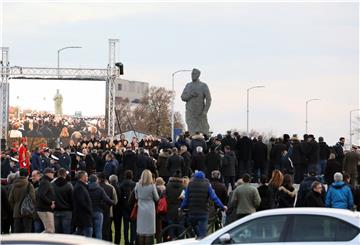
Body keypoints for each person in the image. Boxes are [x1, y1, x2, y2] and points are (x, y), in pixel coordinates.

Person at [180, 171, 227, 239]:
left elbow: (186, 199)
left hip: (192, 212)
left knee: (195, 229)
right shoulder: (207, 184)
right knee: (202, 235)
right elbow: (214, 198)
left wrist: (181, 207)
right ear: (203, 177)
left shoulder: (190, 184)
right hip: (203, 212)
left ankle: (196, 236)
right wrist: (222, 206)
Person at [134, 169, 159, 245]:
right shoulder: (152, 186)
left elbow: (136, 196)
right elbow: (157, 198)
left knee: (141, 231)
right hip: (150, 208)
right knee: (149, 232)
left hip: (141, 208)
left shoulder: (137, 185)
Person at [8, 169, 36, 233]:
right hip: (27, 213)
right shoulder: (29, 185)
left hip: (16, 214)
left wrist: (15, 207)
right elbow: (33, 199)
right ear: (27, 176)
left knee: (17, 235)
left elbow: (10, 199)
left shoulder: (14, 185)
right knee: (26, 234)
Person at [88, 174, 115, 239]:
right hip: (98, 211)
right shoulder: (100, 189)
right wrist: (112, 202)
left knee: (90, 231)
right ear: (96, 180)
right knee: (98, 232)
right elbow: (107, 200)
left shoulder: (86, 188)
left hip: (89, 212)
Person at [72, 171, 93, 237]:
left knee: (80, 232)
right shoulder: (79, 187)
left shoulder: (82, 186)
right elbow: (81, 202)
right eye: (86, 176)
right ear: (82, 177)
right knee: (88, 234)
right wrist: (89, 210)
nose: (87, 177)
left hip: (83, 215)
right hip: (83, 215)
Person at [52, 168, 73, 234]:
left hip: (56, 210)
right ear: (65, 175)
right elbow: (72, 199)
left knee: (57, 233)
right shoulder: (69, 185)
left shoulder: (52, 185)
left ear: (58, 174)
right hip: (67, 211)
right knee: (66, 232)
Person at [98, 172, 117, 242]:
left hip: (97, 211)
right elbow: (115, 201)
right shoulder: (111, 187)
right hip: (108, 211)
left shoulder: (95, 187)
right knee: (107, 230)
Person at [165, 170, 184, 240]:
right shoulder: (183, 186)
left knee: (171, 228)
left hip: (170, 208)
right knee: (181, 229)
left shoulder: (168, 185)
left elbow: (166, 197)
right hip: (180, 209)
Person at [119, 170, 136, 245]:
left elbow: (120, 196)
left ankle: (126, 241)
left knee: (125, 226)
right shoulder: (134, 184)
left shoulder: (121, 184)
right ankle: (132, 241)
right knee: (133, 225)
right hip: (133, 207)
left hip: (124, 206)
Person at [36, 167, 56, 233]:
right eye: (52, 173)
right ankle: (37, 241)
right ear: (48, 174)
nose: (53, 174)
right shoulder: (45, 182)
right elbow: (41, 195)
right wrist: (51, 202)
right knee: (50, 230)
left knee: (49, 230)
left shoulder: (45, 181)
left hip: (45, 209)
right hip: (45, 209)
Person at [109, 174, 122, 245]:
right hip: (118, 211)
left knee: (109, 228)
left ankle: (110, 241)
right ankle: (117, 242)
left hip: (110, 211)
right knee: (118, 229)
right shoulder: (119, 188)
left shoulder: (109, 188)